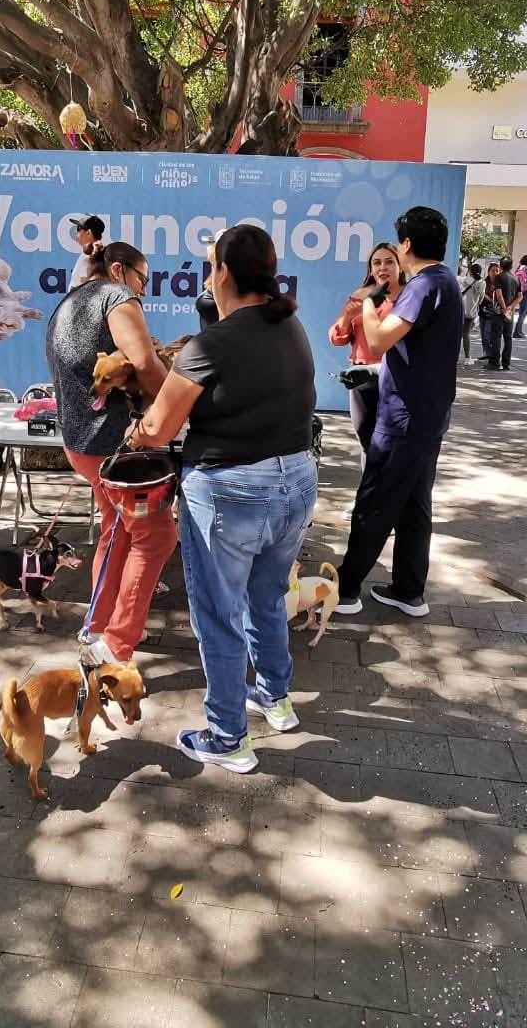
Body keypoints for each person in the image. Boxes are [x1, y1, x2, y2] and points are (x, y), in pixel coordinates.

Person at [128, 224, 317, 773]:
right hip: (296, 481)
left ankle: (229, 735)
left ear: (224, 273)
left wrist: (138, 432)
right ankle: (275, 698)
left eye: (212, 265)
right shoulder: (292, 327)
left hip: (231, 491)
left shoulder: (211, 345)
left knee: (218, 615)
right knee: (267, 597)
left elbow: (160, 428)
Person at [45, 242, 176, 669]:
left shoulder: (71, 300)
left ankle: (98, 625)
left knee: (117, 530)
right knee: (156, 537)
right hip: (116, 449)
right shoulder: (116, 297)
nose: (144, 289)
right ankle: (115, 644)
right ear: (119, 270)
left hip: (81, 444)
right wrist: (179, 407)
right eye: (142, 278)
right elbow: (146, 364)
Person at [334, 206, 463, 619]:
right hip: (428, 416)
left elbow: (378, 340)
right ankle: (409, 590)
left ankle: (346, 590)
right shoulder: (446, 280)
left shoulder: (424, 285)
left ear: (406, 245)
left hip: (403, 419)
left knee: (375, 501)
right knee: (413, 506)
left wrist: (368, 302)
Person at [329, 242, 403, 452]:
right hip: (362, 381)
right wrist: (347, 318)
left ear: (400, 266)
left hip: (398, 379)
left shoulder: (410, 297)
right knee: (367, 442)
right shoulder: (359, 296)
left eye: (389, 262)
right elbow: (337, 339)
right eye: (377, 263)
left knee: (395, 445)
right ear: (370, 269)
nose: (382, 267)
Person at [481, 255, 521, 370]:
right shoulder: (516, 278)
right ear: (511, 266)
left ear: (501, 266)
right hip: (510, 314)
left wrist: (504, 308)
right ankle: (506, 363)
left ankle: (494, 363)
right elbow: (520, 296)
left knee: (496, 338)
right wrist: (510, 308)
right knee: (508, 338)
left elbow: (499, 295)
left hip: (499, 313)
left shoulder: (499, 277)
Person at [69, 214, 107, 289]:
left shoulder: (90, 255)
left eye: (79, 229)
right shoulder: (99, 252)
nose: (76, 232)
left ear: (88, 233)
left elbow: (85, 286)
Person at [458, 263, 485, 362]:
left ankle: (452, 356)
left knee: (457, 334)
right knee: (466, 334)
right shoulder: (482, 283)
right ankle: (467, 358)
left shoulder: (464, 280)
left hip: (459, 311)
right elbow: (481, 299)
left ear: (470, 272)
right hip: (471, 312)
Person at [512, 255, 527, 338]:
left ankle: (518, 330)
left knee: (525, 311)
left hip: (518, 290)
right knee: (523, 312)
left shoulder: (520, 267)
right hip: (525, 292)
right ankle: (517, 332)